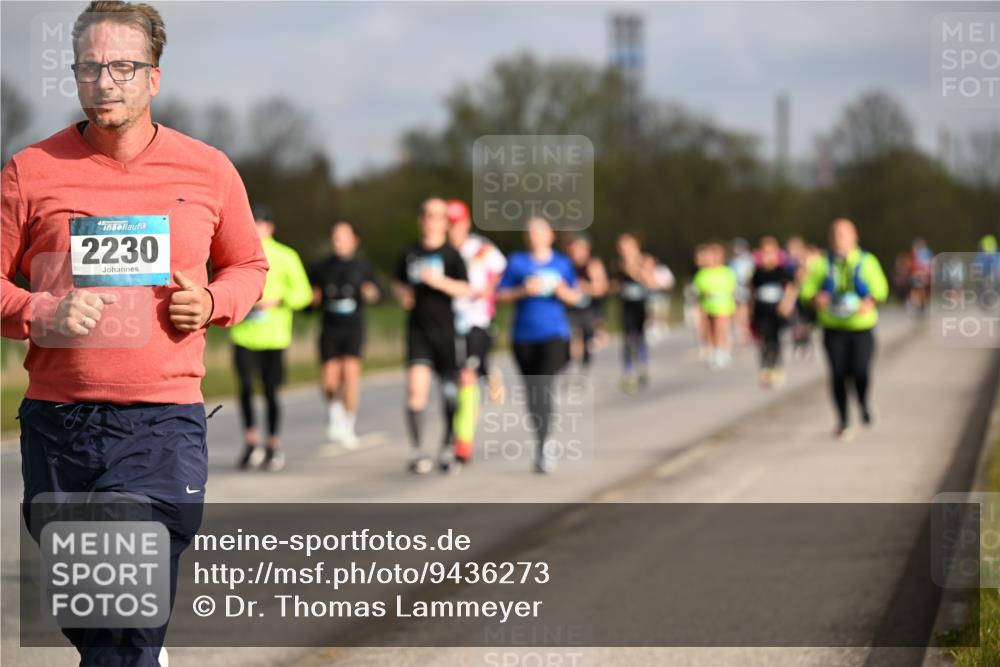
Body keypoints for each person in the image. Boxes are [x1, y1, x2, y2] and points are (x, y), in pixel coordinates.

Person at [0, 2, 268, 665]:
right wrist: (43, 313)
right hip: (59, 426)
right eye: (90, 66)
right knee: (98, 625)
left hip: (160, 424)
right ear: (75, 74)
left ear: (154, 77)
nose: (105, 81)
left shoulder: (206, 170)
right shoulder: (31, 171)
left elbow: (250, 266)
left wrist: (210, 300)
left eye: (123, 65)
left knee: (121, 586)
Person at [231, 205, 312, 471]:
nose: (257, 228)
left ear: (271, 227)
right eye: (253, 223)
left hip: (275, 335)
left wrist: (279, 301)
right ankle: (251, 441)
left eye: (262, 224)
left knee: (270, 391)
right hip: (244, 333)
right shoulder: (237, 252)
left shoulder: (287, 255)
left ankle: (273, 445)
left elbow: (304, 294)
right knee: (244, 388)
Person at [496, 216, 580, 474]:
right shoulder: (517, 262)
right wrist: (523, 291)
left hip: (553, 332)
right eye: (530, 231)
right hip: (523, 335)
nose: (534, 235)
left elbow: (575, 297)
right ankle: (542, 439)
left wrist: (559, 290)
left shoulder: (561, 263)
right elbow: (499, 294)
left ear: (550, 235)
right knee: (533, 394)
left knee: (543, 386)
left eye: (539, 231)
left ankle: (546, 446)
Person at [393, 198, 471, 474]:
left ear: (444, 222)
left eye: (437, 215)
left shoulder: (452, 255)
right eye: (426, 214)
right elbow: (399, 285)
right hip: (418, 331)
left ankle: (448, 445)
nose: (431, 220)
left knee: (450, 394)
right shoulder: (409, 253)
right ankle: (417, 450)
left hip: (446, 332)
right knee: (415, 390)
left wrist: (439, 282)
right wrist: (403, 295)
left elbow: (466, 290)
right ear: (421, 219)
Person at [800, 218, 889, 441]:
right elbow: (806, 291)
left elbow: (881, 288)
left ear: (854, 236)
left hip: (861, 327)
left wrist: (870, 301)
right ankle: (843, 420)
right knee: (838, 375)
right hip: (833, 329)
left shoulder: (867, 261)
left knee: (860, 371)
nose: (839, 239)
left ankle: (863, 402)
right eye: (835, 234)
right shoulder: (822, 264)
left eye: (844, 234)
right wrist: (814, 298)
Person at [310, 220, 381, 448]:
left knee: (350, 375)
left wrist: (371, 293)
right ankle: (335, 411)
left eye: (343, 237)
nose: (338, 242)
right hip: (330, 325)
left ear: (354, 240)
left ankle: (348, 425)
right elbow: (310, 298)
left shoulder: (363, 266)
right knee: (329, 380)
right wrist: (312, 300)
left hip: (353, 325)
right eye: (335, 237)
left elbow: (377, 293)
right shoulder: (321, 267)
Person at [446, 199, 506, 465]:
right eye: (449, 223)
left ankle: (463, 441)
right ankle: (489, 372)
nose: (452, 228)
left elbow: (502, 271)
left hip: (477, 318)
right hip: (448, 320)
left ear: (466, 223)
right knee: (457, 377)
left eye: (457, 222)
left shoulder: (480, 248)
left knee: (467, 376)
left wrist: (489, 288)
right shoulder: (442, 250)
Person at [613, 233, 663, 392]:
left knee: (640, 335)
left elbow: (652, 282)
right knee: (628, 337)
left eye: (627, 245)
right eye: (621, 247)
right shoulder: (618, 264)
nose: (624, 249)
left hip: (642, 304)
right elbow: (615, 284)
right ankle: (627, 370)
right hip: (626, 304)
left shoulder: (645, 260)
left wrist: (634, 271)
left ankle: (643, 364)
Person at [750, 236, 796, 388]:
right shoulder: (757, 272)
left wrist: (786, 304)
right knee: (764, 339)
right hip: (762, 311)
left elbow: (791, 288)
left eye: (770, 252)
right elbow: (752, 291)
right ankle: (765, 367)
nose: (767, 256)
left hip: (777, 311)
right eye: (765, 252)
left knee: (775, 339)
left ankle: (777, 366)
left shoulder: (781, 271)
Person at [565, 233, 608, 372]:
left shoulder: (593, 265)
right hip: (571, 309)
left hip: (590, 309)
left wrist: (585, 287)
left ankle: (584, 368)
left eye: (579, 248)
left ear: (586, 249)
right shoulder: (566, 265)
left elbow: (601, 289)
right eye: (573, 248)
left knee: (587, 342)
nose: (575, 251)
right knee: (572, 339)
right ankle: (573, 370)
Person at [692, 243, 738, 369]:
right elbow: (698, 288)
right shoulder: (703, 273)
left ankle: (722, 350)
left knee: (720, 327)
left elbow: (732, 288)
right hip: (708, 304)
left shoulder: (726, 271)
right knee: (710, 329)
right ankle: (714, 350)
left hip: (723, 304)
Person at [728, 237, 755, 344]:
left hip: (746, 286)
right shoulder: (731, 261)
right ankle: (740, 330)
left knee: (745, 309)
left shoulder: (748, 260)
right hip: (736, 287)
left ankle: (746, 330)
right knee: (737, 309)